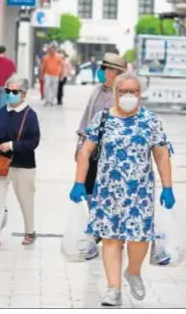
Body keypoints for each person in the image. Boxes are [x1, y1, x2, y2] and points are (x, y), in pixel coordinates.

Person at [69, 72, 175, 307]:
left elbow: (161, 154)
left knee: (139, 240)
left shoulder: (150, 120)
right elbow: (86, 151)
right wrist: (79, 181)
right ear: (116, 93)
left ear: (140, 94)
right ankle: (113, 289)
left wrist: (168, 187)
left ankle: (133, 272)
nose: (129, 96)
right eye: (124, 91)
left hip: (140, 194)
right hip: (108, 192)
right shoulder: (102, 119)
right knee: (111, 240)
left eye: (133, 92)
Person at [75, 52, 127, 259]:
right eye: (103, 69)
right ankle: (97, 226)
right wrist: (79, 145)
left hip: (113, 155)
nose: (102, 72)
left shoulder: (123, 96)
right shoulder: (97, 91)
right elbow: (86, 117)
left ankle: (113, 232)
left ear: (115, 73)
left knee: (113, 193)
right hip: (92, 151)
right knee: (89, 189)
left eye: (106, 69)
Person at [0, 75, 40, 247]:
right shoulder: (0, 113)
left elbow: (33, 142)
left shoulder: (30, 116)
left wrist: (13, 146)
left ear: (23, 94)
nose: (10, 94)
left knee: (25, 198)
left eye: (14, 91)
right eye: (8, 91)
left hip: (23, 164)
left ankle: (30, 231)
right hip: (0, 163)